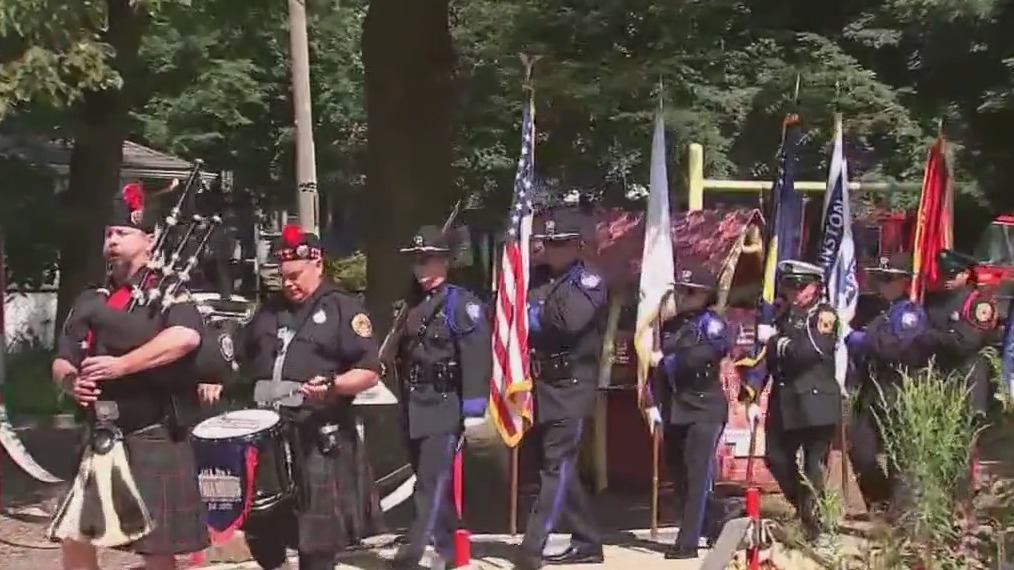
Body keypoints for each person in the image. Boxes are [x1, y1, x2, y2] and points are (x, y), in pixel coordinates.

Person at [50, 184, 209, 570]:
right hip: (99, 432)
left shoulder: (170, 291)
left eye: (122, 233)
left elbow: (185, 337)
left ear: (149, 240)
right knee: (75, 536)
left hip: (151, 430)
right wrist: (71, 382)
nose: (113, 240)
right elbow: (62, 359)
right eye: (109, 233)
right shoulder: (91, 298)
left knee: (155, 546)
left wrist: (122, 365)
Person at [235, 224, 383, 570]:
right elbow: (240, 358)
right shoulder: (268, 311)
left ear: (318, 265)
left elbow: (369, 370)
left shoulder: (343, 308)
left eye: (296, 276)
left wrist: (334, 385)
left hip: (318, 433)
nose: (288, 283)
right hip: (269, 434)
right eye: (283, 276)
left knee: (317, 538)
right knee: (261, 525)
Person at [390, 225, 493, 570]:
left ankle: (414, 553)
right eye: (417, 261)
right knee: (434, 482)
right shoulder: (409, 305)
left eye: (429, 260)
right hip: (414, 402)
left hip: (445, 402)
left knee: (430, 483)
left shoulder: (461, 304)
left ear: (445, 262)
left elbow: (476, 355)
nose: (422, 268)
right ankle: (450, 551)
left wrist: (474, 408)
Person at [516, 210, 607, 570]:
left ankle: (532, 546)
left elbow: (568, 322)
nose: (550, 250)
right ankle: (588, 540)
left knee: (554, 466)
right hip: (540, 383)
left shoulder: (588, 281)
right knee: (554, 465)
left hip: (571, 384)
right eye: (548, 243)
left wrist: (533, 313)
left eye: (559, 244)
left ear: (576, 246)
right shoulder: (536, 277)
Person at [743, 259, 841, 540]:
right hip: (784, 401)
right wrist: (753, 394)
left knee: (813, 466)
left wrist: (778, 343)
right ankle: (807, 510)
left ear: (816, 287)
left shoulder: (824, 316)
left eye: (800, 286)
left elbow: (808, 353)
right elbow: (763, 358)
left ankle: (813, 527)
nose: (795, 292)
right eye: (789, 286)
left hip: (815, 402)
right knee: (775, 458)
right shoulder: (780, 315)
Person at [644, 260, 732, 560]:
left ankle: (688, 541)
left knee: (697, 473)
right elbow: (656, 370)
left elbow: (703, 356)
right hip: (676, 407)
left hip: (704, 406)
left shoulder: (712, 324)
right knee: (679, 474)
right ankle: (719, 519)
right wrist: (653, 401)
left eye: (691, 292)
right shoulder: (671, 325)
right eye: (681, 290)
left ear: (706, 295)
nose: (684, 297)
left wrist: (668, 361)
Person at [845, 252, 928, 514]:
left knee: (897, 452)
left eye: (889, 279)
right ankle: (879, 499)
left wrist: (858, 339)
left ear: (903, 282)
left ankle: (899, 510)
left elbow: (892, 348)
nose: (883, 285)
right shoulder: (869, 309)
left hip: (897, 387)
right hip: (870, 386)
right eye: (880, 278)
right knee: (861, 450)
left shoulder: (909, 313)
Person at [919, 249, 998, 417]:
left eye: (952, 275)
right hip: (937, 370)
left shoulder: (978, 304)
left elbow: (967, 341)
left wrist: (932, 337)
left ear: (965, 274)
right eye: (943, 274)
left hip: (966, 373)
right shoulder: (933, 301)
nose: (946, 279)